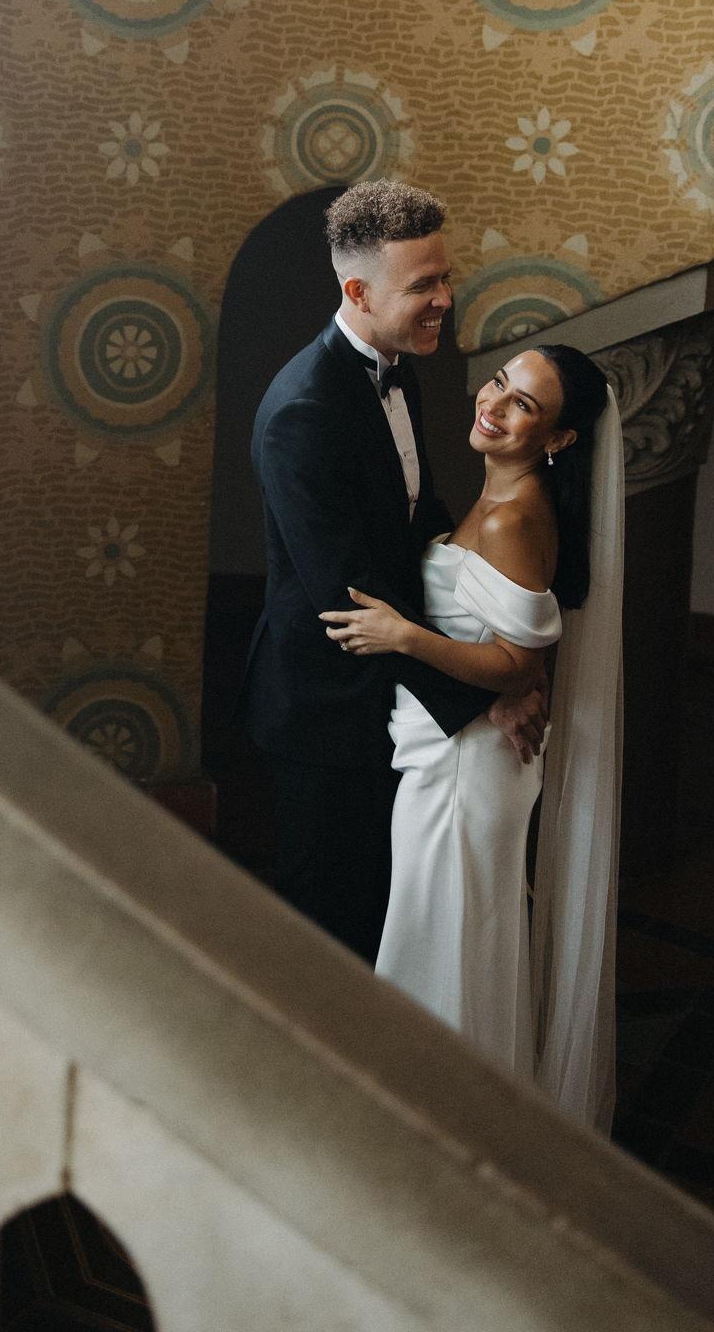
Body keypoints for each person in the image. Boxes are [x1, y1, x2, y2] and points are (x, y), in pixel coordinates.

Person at [240, 181, 549, 964]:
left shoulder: (396, 367)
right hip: (325, 708)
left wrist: (491, 630)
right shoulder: (302, 412)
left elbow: (416, 518)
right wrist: (487, 692)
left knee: (387, 916)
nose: (445, 299)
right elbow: (351, 600)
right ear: (359, 293)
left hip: (392, 693)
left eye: (446, 277)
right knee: (327, 930)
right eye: (424, 286)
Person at [323, 342, 625, 1129]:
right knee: (462, 940)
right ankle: (470, 1117)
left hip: (466, 772)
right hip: (463, 753)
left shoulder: (513, 517)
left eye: (523, 404)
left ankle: (443, 1124)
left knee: (444, 940)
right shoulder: (505, 499)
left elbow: (518, 661)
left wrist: (404, 636)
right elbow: (522, 652)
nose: (493, 403)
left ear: (558, 438)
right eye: (499, 382)